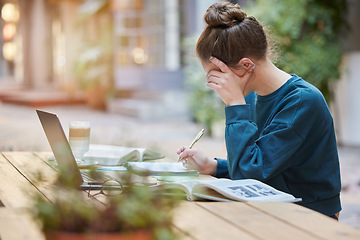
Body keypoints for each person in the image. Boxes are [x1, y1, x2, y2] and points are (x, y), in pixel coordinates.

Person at [177, 1, 341, 219]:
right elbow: (263, 163)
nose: (215, 86)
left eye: (218, 77)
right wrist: (214, 167)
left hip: (308, 216)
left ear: (246, 65)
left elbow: (249, 173)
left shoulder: (302, 102)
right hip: (271, 208)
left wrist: (235, 105)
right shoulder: (253, 96)